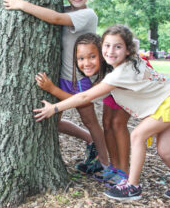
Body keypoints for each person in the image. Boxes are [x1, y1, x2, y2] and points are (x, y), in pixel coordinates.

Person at [34, 24, 170, 201]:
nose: (111, 51)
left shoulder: (119, 73)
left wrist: (54, 108)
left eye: (118, 46)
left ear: (127, 50)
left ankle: (131, 187)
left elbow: (84, 97)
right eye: (107, 46)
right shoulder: (121, 67)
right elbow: (86, 97)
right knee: (165, 151)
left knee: (137, 135)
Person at [4, 0, 109, 173]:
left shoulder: (88, 15)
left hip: (79, 80)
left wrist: (21, 4)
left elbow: (55, 18)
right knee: (55, 123)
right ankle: (89, 141)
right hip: (61, 77)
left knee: (90, 121)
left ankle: (104, 163)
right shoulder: (66, 9)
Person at [36, 33, 130, 186]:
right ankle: (112, 167)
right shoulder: (93, 73)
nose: (86, 63)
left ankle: (124, 173)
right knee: (108, 125)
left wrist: (52, 90)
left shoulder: (113, 73)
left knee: (118, 125)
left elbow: (81, 100)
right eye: (81, 59)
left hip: (130, 94)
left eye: (92, 57)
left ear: (102, 55)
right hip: (113, 94)